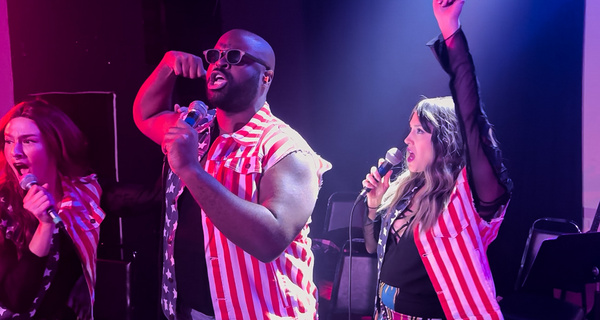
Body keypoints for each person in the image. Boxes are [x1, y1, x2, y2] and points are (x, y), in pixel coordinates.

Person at [133, 29, 331, 320]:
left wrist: (190, 169)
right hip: (190, 312)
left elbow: (270, 239)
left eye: (235, 57)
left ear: (266, 77)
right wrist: (167, 65)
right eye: (215, 56)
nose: (220, 63)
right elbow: (145, 115)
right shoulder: (196, 128)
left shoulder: (286, 150)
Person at [362, 1, 513, 319]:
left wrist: (451, 30)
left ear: (444, 138)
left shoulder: (468, 199)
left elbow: (472, 119)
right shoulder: (407, 188)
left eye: (419, 130)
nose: (407, 139)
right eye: (409, 129)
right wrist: (375, 206)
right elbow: (373, 250)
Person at [0, 99, 105, 320]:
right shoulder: (3, 205)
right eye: (9, 141)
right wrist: (44, 226)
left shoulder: (81, 194)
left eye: (27, 141)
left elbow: (150, 199)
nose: (15, 152)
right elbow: (16, 299)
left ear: (54, 145)